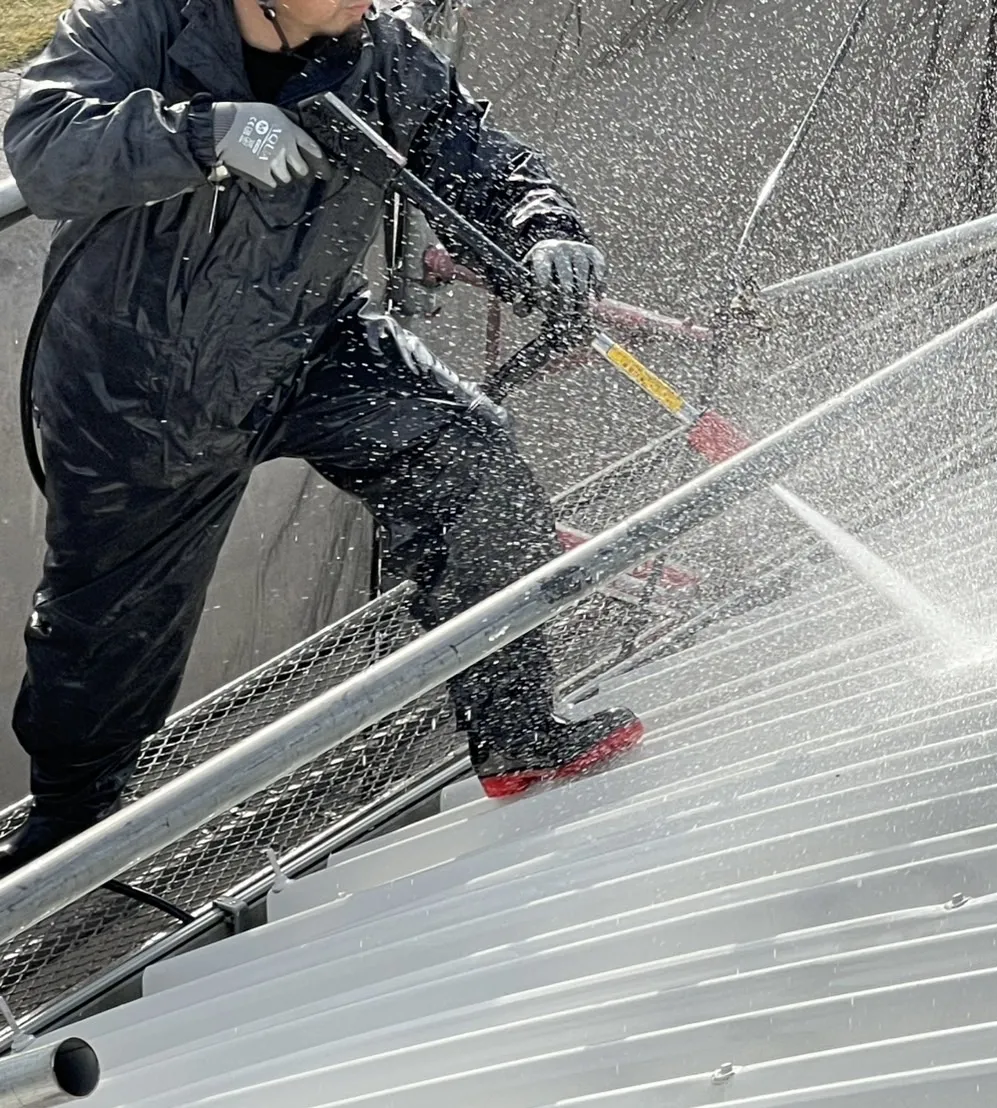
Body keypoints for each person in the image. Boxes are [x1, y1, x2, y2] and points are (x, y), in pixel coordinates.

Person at [0, 0, 644, 874]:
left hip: (313, 341)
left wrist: (543, 226)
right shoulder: (134, 26)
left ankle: (516, 727)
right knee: (107, 634)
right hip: (143, 385)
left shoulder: (383, 51)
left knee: (472, 459)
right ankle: (66, 835)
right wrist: (202, 132)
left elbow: (477, 156)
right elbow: (43, 150)